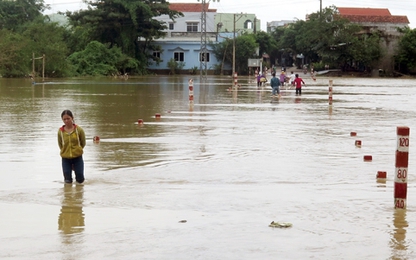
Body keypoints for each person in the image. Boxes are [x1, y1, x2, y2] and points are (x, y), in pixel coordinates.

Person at [58, 110, 86, 184]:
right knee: (67, 181)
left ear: (72, 118)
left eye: (68, 118)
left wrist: (77, 150)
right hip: (65, 159)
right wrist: (66, 152)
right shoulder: (60, 132)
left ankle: (79, 194)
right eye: (64, 119)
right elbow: (61, 145)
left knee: (80, 180)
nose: (66, 121)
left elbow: (83, 143)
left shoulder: (79, 130)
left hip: (77, 158)